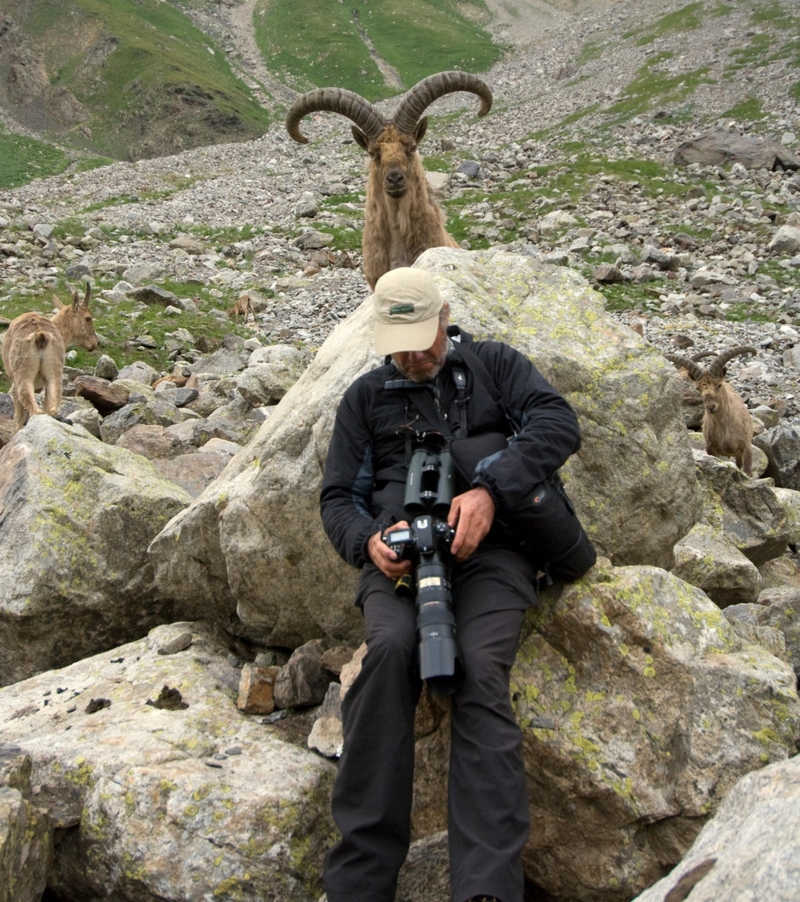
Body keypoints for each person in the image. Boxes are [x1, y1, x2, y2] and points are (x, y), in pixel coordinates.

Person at [319, 267, 581, 902]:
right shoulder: (364, 398)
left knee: (483, 668)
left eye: (420, 336)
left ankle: (485, 889)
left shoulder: (494, 365)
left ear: (445, 316)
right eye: (396, 342)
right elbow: (335, 499)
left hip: (495, 557)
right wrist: (368, 544)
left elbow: (557, 422)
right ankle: (358, 884)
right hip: (401, 563)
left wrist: (491, 490)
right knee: (387, 655)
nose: (410, 354)